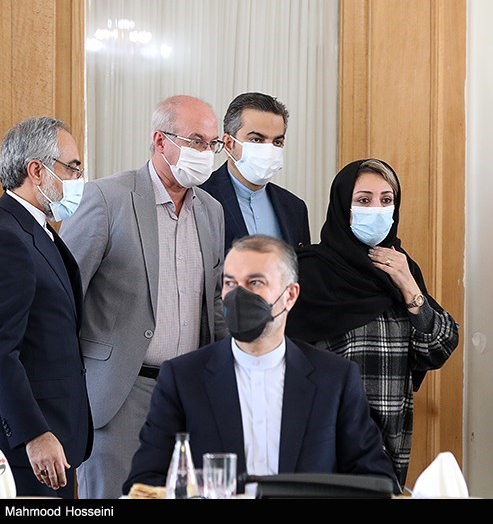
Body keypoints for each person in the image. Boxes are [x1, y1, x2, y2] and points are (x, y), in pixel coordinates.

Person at [122, 235, 399, 495]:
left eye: (255, 282)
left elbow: (376, 480)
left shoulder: (335, 379)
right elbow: (145, 483)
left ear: (290, 295)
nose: (239, 295)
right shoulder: (182, 378)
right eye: (230, 283)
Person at [59, 95, 228, 499]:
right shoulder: (106, 198)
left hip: (188, 394)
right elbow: (63, 297)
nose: (206, 153)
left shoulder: (212, 210)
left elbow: (215, 305)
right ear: (160, 141)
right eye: (196, 141)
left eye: (213, 144)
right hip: (118, 393)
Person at [285, 158, 459, 489]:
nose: (376, 209)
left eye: (386, 200)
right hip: (320, 439)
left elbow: (437, 350)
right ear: (342, 206)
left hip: (387, 444)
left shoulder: (401, 269)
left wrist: (408, 286)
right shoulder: (308, 271)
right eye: (363, 200)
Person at [0, 116, 93, 498]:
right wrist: (34, 434)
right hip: (16, 451)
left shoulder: (31, 229)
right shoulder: (3, 239)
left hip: (50, 441)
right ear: (37, 171)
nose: (79, 178)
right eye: (72, 167)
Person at [199, 92, 310, 253]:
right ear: (229, 144)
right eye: (256, 140)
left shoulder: (295, 208)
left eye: (277, 142)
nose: (269, 150)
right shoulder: (198, 198)